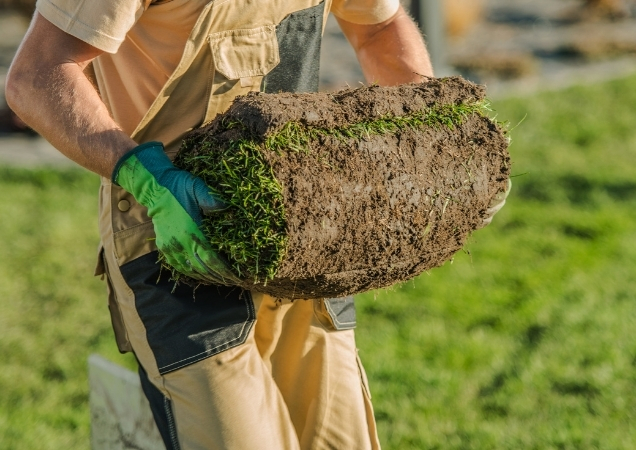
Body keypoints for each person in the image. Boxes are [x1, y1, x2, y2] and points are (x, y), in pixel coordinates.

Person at [6, 1, 433, 448]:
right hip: (173, 245)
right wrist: (150, 182)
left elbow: (378, 29)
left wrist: (433, 147)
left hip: (302, 231)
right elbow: (37, 74)